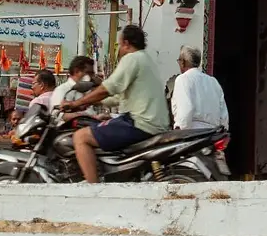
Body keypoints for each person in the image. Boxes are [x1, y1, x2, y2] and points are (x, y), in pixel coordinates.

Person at [61, 26, 169, 183]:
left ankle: (92, 191)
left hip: (139, 124)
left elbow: (107, 89)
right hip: (153, 125)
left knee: (80, 137)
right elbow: (116, 97)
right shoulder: (147, 60)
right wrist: (87, 102)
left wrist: (76, 103)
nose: (119, 49)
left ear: (126, 43)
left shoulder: (132, 59)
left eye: (119, 45)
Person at [170, 46, 229, 132]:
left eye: (179, 60)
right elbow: (223, 113)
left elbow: (186, 109)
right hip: (213, 133)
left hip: (193, 132)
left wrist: (180, 129)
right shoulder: (213, 81)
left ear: (183, 62)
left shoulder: (183, 79)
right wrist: (223, 129)